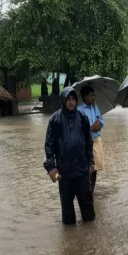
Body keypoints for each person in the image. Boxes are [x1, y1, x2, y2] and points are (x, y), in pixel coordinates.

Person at [44, 87, 96, 225]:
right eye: (68, 99)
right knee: (67, 213)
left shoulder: (82, 118)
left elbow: (88, 142)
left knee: (88, 210)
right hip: (64, 171)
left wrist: (90, 161)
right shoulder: (55, 120)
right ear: (63, 100)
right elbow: (49, 146)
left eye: (73, 99)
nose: (71, 102)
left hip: (82, 169)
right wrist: (51, 167)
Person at [78, 86, 105, 193]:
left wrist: (99, 124)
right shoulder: (79, 110)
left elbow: (101, 120)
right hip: (85, 143)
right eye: (91, 95)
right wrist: (90, 128)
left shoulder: (95, 107)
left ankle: (91, 191)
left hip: (96, 141)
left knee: (95, 168)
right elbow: (78, 129)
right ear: (85, 96)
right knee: (87, 168)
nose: (93, 97)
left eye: (94, 95)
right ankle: (85, 190)